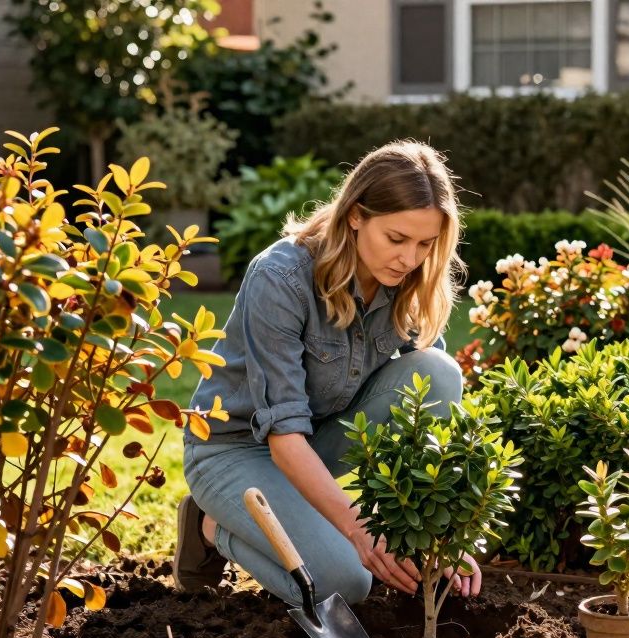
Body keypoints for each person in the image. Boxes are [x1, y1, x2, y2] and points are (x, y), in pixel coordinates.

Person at [176, 140, 478, 606]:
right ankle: (212, 526)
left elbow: (428, 416)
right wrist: (362, 534)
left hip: (319, 437)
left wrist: (440, 532)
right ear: (355, 215)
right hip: (234, 449)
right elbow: (284, 439)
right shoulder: (279, 278)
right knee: (346, 582)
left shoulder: (407, 280)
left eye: (425, 243)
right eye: (396, 239)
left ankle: (257, 517)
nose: (409, 258)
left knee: (437, 373)